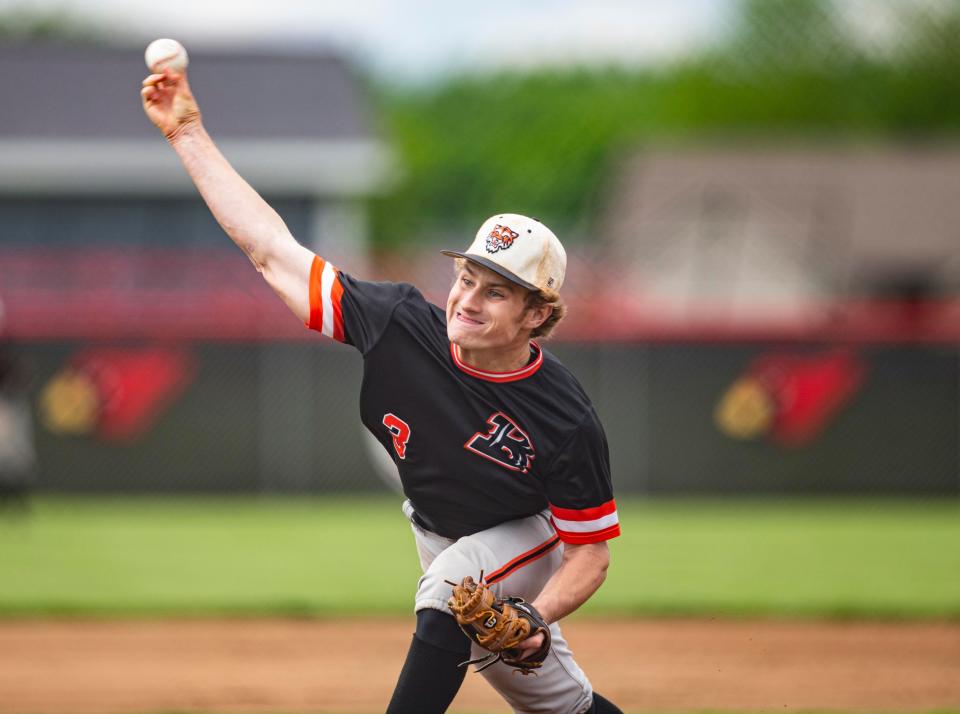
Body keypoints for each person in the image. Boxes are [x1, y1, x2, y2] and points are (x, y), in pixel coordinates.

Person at [141, 65, 622, 714]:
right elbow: (271, 251)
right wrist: (188, 133)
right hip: (436, 531)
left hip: (523, 536)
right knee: (561, 704)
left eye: (497, 290)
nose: (468, 300)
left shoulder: (563, 416)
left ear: (539, 314)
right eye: (468, 277)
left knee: (449, 590)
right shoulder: (400, 325)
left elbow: (589, 553)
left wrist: (534, 615)